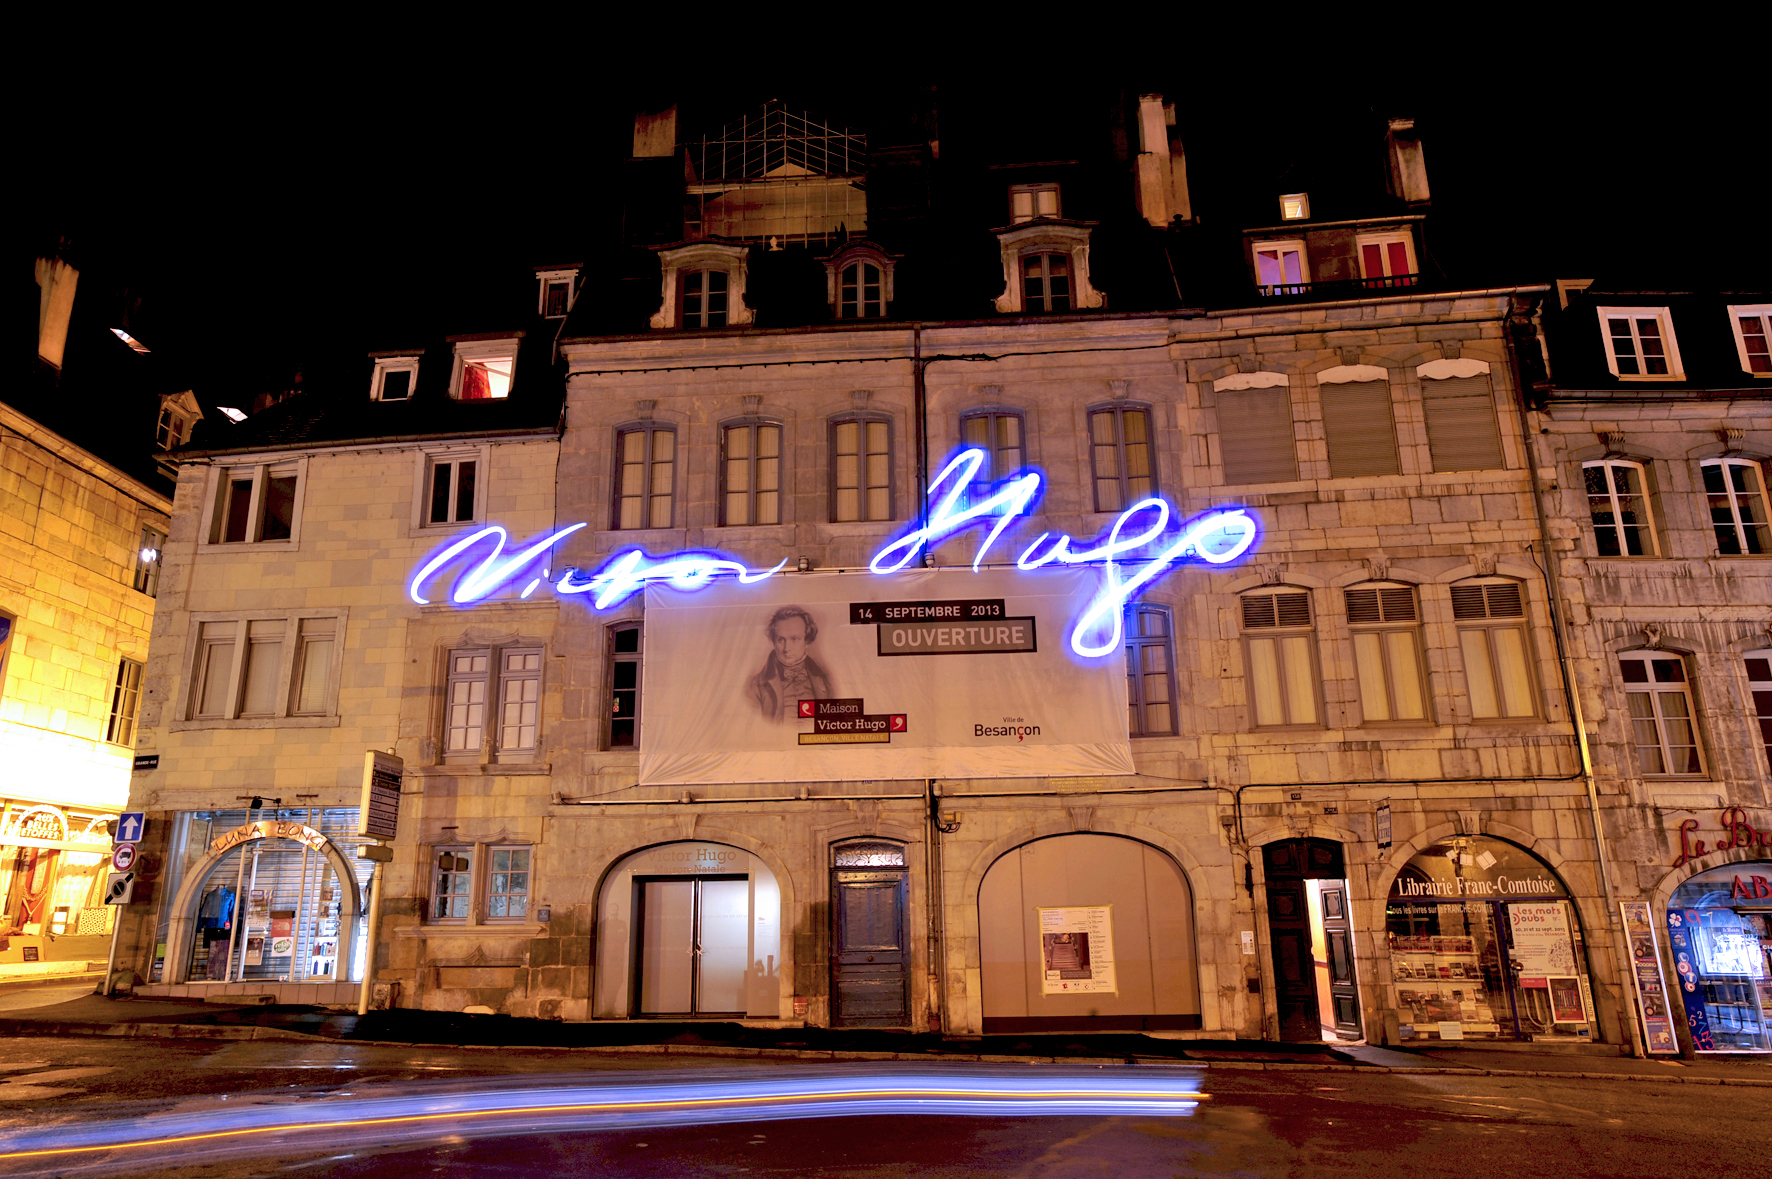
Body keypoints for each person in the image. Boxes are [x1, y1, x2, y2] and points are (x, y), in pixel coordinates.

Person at [748, 606, 834, 722]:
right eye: (781, 640)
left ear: (807, 641)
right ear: (774, 642)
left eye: (794, 639)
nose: (787, 648)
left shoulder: (825, 681)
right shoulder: (757, 685)